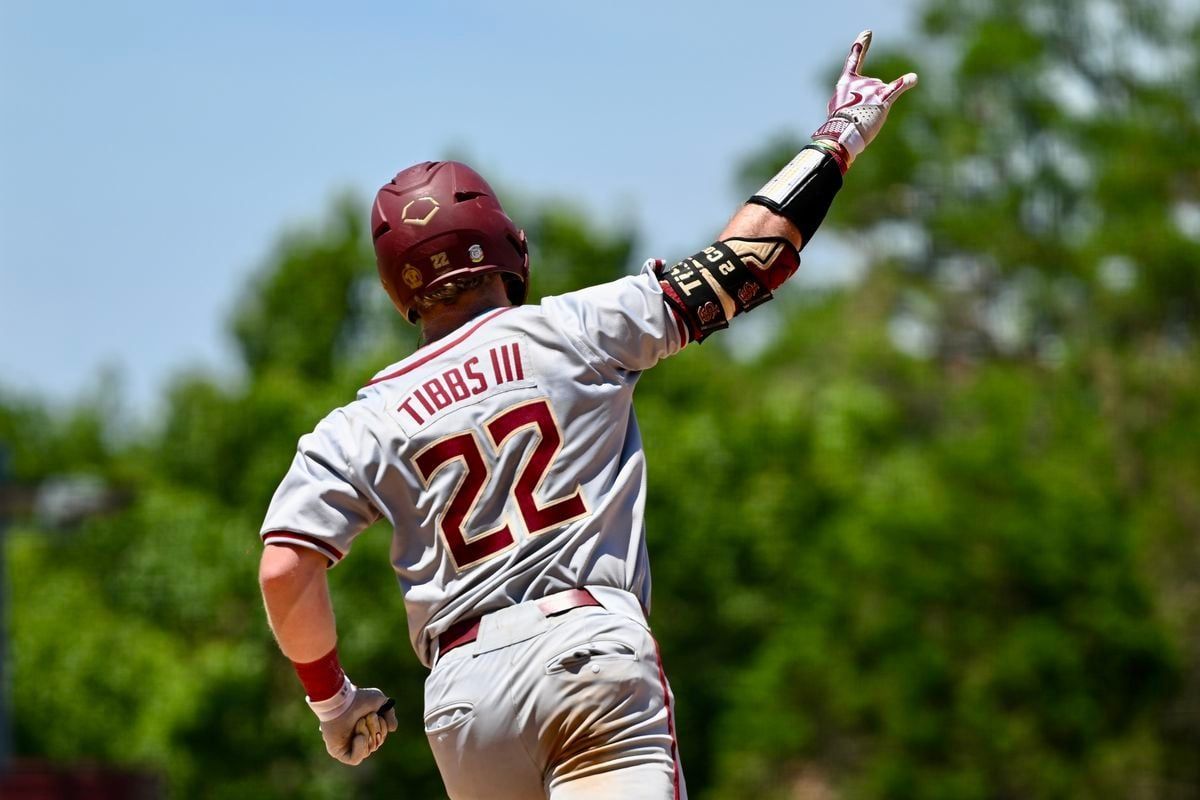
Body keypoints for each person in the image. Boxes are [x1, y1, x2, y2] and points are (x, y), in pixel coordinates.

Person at [257, 30, 916, 800]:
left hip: (466, 694)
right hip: (587, 651)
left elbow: (284, 565)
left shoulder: (361, 422)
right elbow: (750, 260)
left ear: (397, 289)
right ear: (509, 247)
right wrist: (837, 138)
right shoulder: (576, 327)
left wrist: (333, 700)